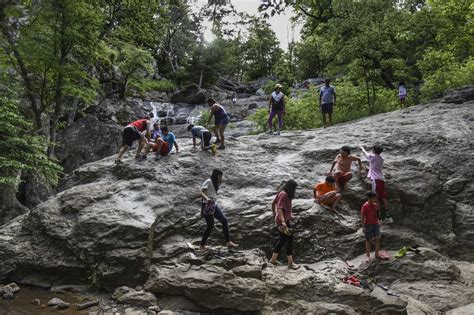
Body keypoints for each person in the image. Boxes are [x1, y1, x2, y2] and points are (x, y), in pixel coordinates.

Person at [199, 169, 239, 249]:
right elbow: (201, 192)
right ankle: (202, 245)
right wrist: (207, 198)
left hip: (213, 205)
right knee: (210, 226)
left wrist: (220, 180)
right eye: (219, 176)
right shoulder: (208, 181)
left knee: (224, 220)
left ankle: (228, 242)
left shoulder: (216, 183)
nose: (220, 177)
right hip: (207, 204)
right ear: (216, 175)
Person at [269, 179, 300, 269]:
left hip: (282, 220)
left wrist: (275, 214)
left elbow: (273, 203)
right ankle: (290, 263)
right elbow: (280, 208)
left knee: (282, 240)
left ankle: (273, 260)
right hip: (282, 221)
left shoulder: (282, 193)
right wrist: (282, 221)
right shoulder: (284, 194)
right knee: (289, 240)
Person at [359, 144, 393, 224]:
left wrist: (361, 147)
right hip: (381, 179)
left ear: (374, 150)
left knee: (376, 198)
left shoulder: (372, 156)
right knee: (383, 198)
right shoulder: (381, 158)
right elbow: (374, 166)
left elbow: (365, 153)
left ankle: (379, 218)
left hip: (375, 180)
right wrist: (369, 169)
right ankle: (389, 217)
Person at [361, 191, 383, 261]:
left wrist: (379, 220)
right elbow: (362, 217)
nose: (375, 199)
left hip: (375, 224)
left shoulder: (375, 204)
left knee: (377, 238)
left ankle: (377, 254)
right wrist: (363, 226)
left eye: (375, 198)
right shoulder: (365, 206)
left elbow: (377, 213)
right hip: (368, 224)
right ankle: (367, 255)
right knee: (368, 240)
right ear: (369, 198)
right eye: (373, 198)